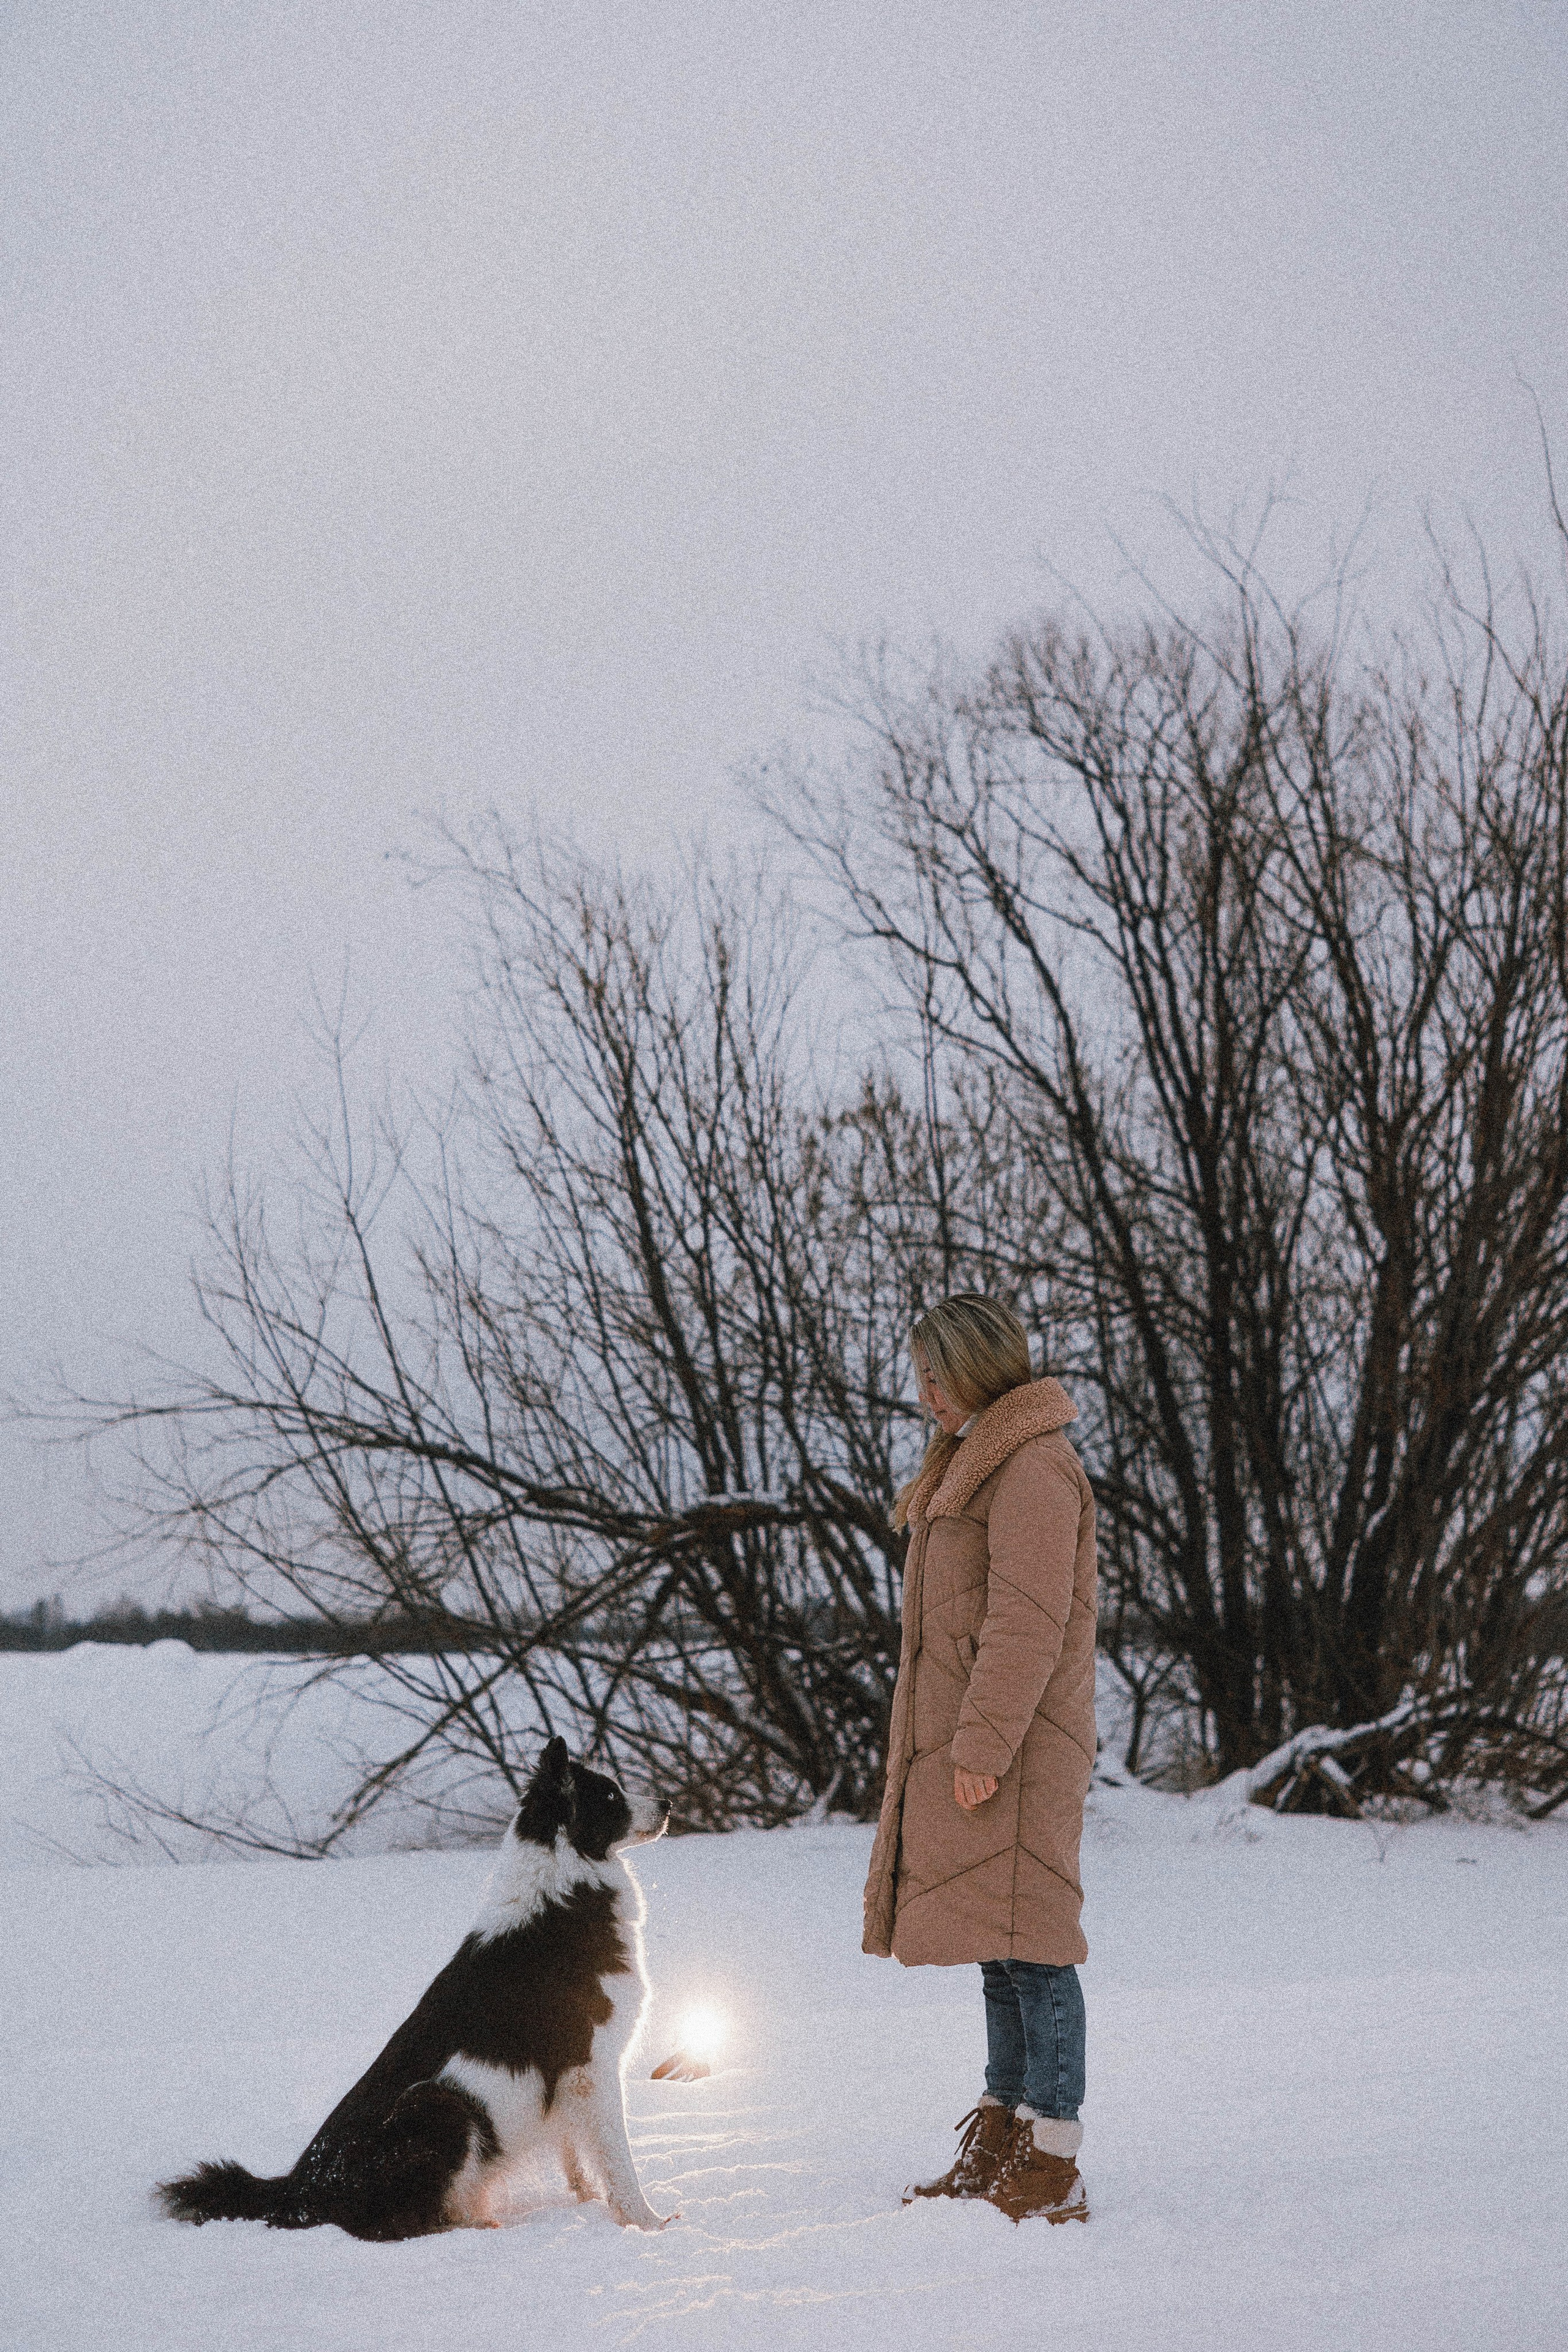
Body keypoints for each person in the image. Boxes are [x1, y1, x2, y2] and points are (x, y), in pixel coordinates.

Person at [862, 1294, 1097, 2223]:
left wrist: (985, 1743)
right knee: (997, 1950)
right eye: (920, 1377)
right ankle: (1001, 2136)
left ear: (982, 1368)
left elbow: (1025, 1625)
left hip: (1019, 1749)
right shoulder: (978, 1460)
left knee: (1036, 1950)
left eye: (939, 1376)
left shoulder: (1034, 1466)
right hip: (989, 1746)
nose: (927, 1395)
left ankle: (1053, 2159)